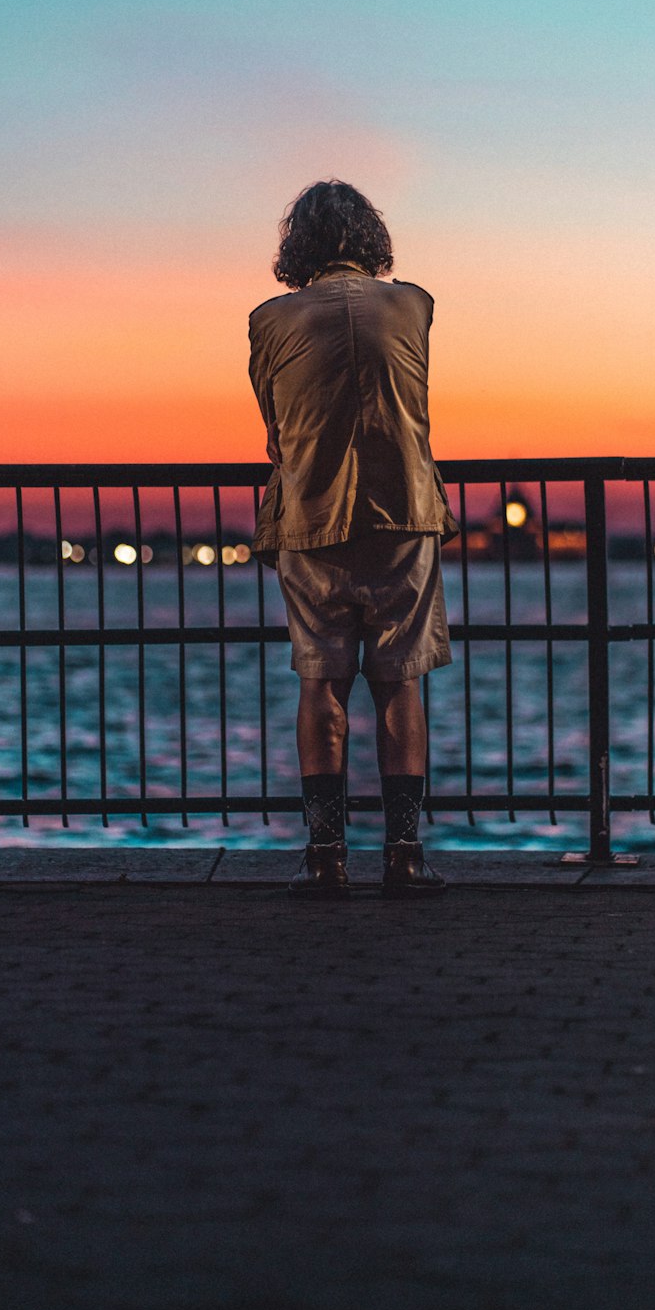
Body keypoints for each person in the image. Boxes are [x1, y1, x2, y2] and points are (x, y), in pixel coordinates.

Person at [248, 179, 459, 899]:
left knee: (322, 682)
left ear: (297, 245)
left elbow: (274, 431)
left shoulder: (270, 320)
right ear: (370, 239)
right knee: (399, 683)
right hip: (404, 512)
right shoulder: (414, 304)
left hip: (313, 518)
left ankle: (324, 856)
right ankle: (404, 855)